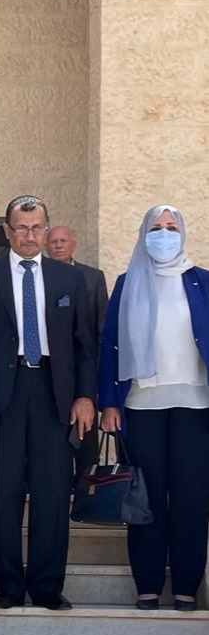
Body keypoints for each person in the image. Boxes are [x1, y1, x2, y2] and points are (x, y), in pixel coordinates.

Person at [0, 195, 95, 611]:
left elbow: (84, 344)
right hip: (1, 394)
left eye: (37, 227)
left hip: (54, 393)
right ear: (6, 231)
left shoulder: (69, 279)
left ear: (46, 228)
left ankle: (47, 585)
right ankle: (7, 585)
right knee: (1, 491)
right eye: (21, 228)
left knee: (52, 492)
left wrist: (85, 396)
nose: (29, 235)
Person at [98, 205, 209, 612]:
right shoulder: (128, 283)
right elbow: (109, 345)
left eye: (171, 227)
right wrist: (108, 402)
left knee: (191, 497)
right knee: (145, 498)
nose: (163, 234)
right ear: (144, 235)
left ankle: (186, 586)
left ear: (183, 233)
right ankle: (147, 584)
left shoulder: (203, 282)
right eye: (156, 228)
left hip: (195, 405)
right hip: (140, 405)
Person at [47, 224, 110, 476]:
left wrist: (96, 381)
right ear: (46, 246)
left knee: (86, 442)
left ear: (74, 244)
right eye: (53, 241)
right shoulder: (38, 275)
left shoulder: (93, 277)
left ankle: (85, 492)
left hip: (85, 371)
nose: (58, 245)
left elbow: (102, 329)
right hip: (50, 375)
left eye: (63, 240)